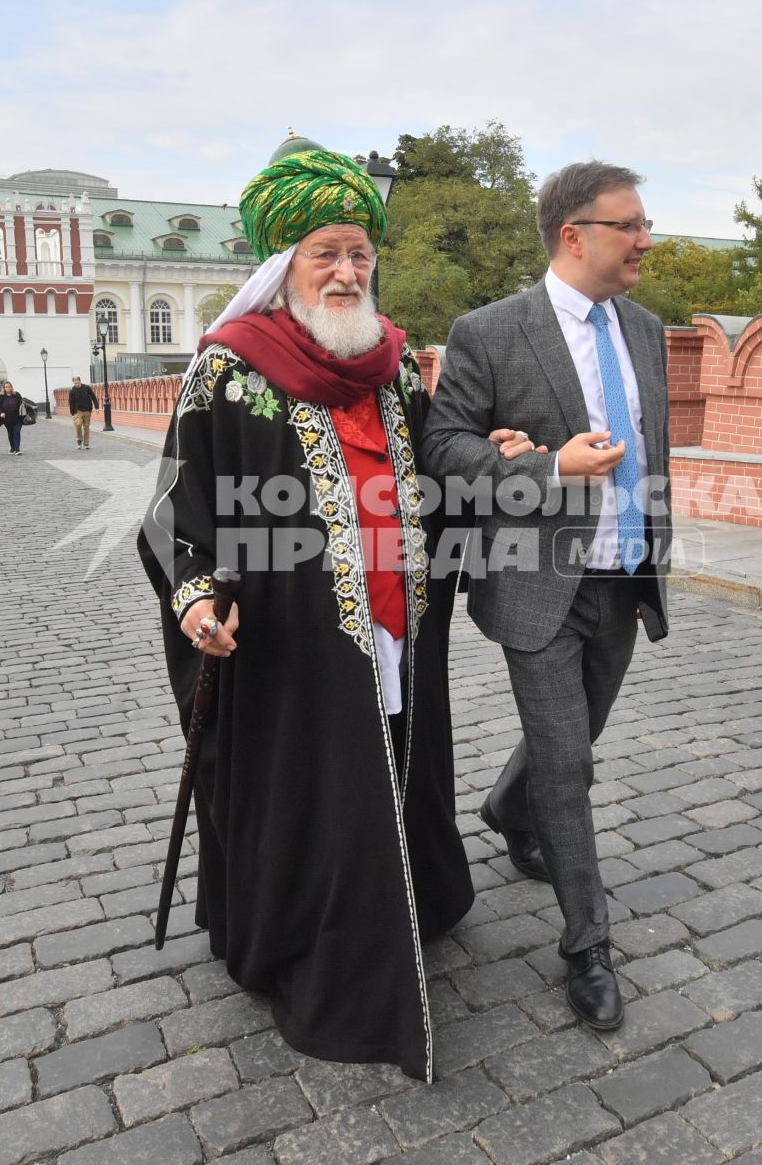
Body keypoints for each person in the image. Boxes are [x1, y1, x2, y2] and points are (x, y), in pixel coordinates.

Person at [138, 140, 537, 1082]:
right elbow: (171, 509)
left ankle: (403, 900)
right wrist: (196, 595)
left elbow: (430, 487)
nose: (350, 271)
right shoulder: (228, 371)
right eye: (329, 253)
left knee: (397, 765)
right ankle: (318, 944)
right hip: (291, 644)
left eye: (361, 253)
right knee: (319, 791)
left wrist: (494, 464)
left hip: (398, 625)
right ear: (284, 265)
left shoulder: (393, 368)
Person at [420, 160, 672, 1034]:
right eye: (630, 225)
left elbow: (653, 449)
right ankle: (586, 945)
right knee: (570, 762)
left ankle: (502, 808)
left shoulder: (646, 329)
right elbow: (443, 447)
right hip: (537, 584)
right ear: (576, 235)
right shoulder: (489, 331)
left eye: (645, 224)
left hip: (624, 573)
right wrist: (544, 464)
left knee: (576, 734)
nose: (646, 239)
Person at [0, 380, 28, 456]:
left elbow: (22, 403)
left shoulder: (17, 394)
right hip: (7, 418)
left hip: (17, 418)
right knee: (11, 433)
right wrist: (1, 413)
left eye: (9, 386)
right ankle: (12, 447)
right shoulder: (1, 396)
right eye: (6, 387)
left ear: (11, 387)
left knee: (17, 432)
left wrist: (24, 405)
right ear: (4, 388)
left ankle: (17, 449)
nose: (8, 388)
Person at [68, 375, 97, 449]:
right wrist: (72, 413)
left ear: (80, 381)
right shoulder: (72, 391)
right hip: (78, 411)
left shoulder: (87, 388)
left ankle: (86, 443)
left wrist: (96, 407)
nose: (77, 384)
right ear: (73, 383)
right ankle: (79, 441)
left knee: (86, 427)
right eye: (75, 383)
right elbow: (71, 402)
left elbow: (93, 397)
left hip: (87, 410)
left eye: (78, 382)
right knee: (78, 425)